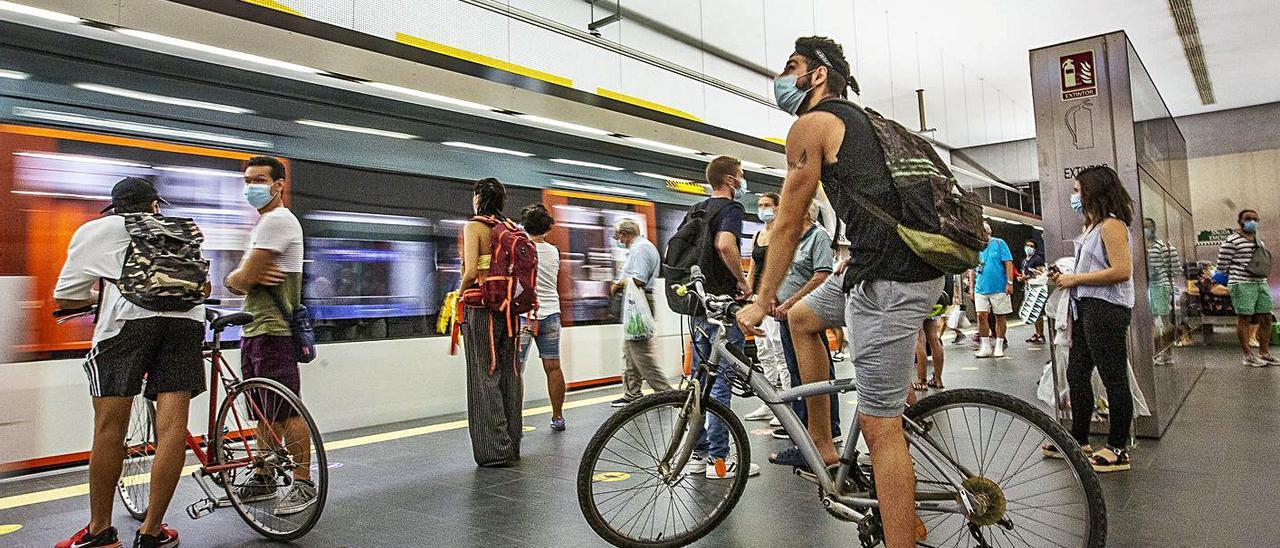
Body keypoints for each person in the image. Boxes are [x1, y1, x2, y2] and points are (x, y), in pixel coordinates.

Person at [737, 36, 943, 547]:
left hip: (890, 279)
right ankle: (825, 450)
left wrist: (761, 300)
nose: (783, 77)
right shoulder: (863, 121)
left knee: (880, 427)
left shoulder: (811, 125)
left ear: (819, 74)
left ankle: (902, 536)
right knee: (803, 318)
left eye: (792, 67)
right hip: (881, 267)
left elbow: (786, 223)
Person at [55, 177, 208, 548]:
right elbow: (203, 286)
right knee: (172, 429)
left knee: (110, 427)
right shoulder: (183, 229)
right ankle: (152, 531)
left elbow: (66, 297)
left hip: (125, 328)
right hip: (186, 324)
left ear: (115, 206)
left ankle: (100, 532)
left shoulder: (96, 230)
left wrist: (105, 290)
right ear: (155, 204)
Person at [224, 156, 316, 513]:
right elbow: (247, 278)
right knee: (265, 410)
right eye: (247, 180)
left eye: (259, 180)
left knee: (286, 408)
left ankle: (304, 481)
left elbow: (240, 281)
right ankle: (263, 473)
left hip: (273, 330)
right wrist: (246, 274)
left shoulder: (277, 222)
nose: (251, 187)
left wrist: (240, 276)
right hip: (257, 328)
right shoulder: (267, 223)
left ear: (278, 185)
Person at [1049, 166, 1136, 473]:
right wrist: (1069, 276)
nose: (1074, 196)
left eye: (1077, 190)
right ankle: (1079, 437)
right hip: (1087, 307)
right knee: (1076, 372)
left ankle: (1118, 446)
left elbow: (1121, 270)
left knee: (1113, 377)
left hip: (1107, 309)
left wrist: (1075, 279)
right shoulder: (1091, 227)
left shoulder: (1112, 226)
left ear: (1092, 192)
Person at [685, 155, 760, 480]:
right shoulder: (731, 209)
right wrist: (742, 281)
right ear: (730, 181)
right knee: (721, 386)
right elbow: (726, 245)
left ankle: (698, 456)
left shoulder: (697, 209)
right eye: (741, 176)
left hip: (697, 305)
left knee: (698, 383)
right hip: (721, 306)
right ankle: (720, 460)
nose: (743, 182)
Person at [456, 178, 522, 466]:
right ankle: (512, 443)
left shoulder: (475, 227)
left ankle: (493, 451)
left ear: (479, 197)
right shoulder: (511, 228)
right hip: (509, 311)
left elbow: (471, 271)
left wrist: (458, 296)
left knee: (484, 375)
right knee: (508, 374)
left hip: (482, 308)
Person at [771, 201, 840, 443]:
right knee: (795, 371)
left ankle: (829, 427)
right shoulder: (788, 238)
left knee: (817, 372)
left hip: (808, 314)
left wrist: (792, 302)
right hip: (783, 314)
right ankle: (804, 424)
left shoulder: (818, 236)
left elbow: (821, 275)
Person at [609, 217, 674, 406]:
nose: (618, 239)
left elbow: (638, 279)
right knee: (629, 349)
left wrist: (617, 284)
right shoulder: (638, 248)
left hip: (639, 301)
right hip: (636, 301)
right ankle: (632, 393)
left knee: (639, 353)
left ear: (625, 234)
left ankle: (666, 393)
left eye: (618, 235)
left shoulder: (641, 248)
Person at [518, 204, 567, 430]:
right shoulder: (554, 251)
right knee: (553, 367)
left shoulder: (521, 249)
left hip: (525, 315)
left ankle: (514, 418)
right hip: (551, 314)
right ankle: (557, 416)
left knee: (516, 369)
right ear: (547, 228)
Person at [744, 192, 789, 422]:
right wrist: (747, 292)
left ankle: (786, 403)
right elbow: (753, 268)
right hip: (758, 299)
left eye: (768, 205)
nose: (763, 209)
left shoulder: (783, 234)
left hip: (775, 298)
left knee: (779, 349)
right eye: (760, 205)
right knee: (764, 353)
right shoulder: (757, 236)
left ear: (778, 208)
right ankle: (769, 402)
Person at [1216, 209, 1278, 367]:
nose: (1252, 222)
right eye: (1248, 219)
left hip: (1260, 282)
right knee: (1245, 318)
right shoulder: (1231, 241)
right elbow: (1222, 265)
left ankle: (1264, 353)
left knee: (1266, 317)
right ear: (1240, 221)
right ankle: (1248, 355)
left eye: (1255, 219)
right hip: (1241, 283)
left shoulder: (1258, 240)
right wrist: (1231, 278)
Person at [972, 222, 1014, 358]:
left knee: (1000, 316)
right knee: (981, 315)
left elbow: (1008, 263)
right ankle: (985, 346)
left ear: (988, 232)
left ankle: (999, 345)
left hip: (999, 287)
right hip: (980, 287)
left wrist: (1010, 282)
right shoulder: (976, 246)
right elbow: (972, 268)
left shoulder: (999, 243)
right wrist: (971, 288)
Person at [1144, 218, 1182, 365]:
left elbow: (1174, 269)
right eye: (1145, 227)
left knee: (1162, 322)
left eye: (1149, 227)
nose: (1147, 230)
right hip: (1148, 287)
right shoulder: (1142, 247)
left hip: (1160, 286)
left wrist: (1170, 288)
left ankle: (1165, 352)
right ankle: (1160, 352)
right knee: (1155, 322)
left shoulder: (1163, 247)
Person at [914, 276, 953, 391]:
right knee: (933, 338)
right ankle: (938, 379)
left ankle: (921, 380)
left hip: (918, 298)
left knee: (919, 339)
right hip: (935, 298)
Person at [1020, 239, 1047, 345]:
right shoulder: (1024, 261)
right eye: (1027, 245)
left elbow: (1042, 273)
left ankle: (1041, 334)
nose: (1028, 248)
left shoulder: (1037, 259)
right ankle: (1037, 332)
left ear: (1035, 249)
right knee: (1032, 310)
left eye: (1031, 246)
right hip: (1028, 286)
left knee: (1037, 310)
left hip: (1036, 286)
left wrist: (1028, 276)